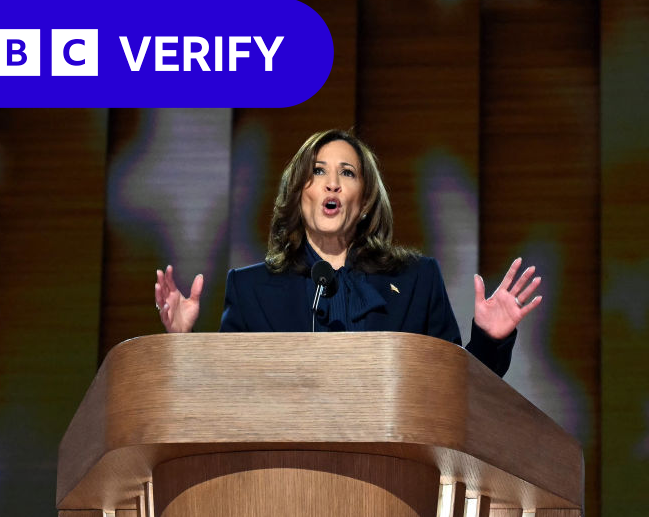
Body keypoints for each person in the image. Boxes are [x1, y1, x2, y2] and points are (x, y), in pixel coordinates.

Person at [154, 129, 541, 377]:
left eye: (348, 173)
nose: (333, 184)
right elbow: (223, 395)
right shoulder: (251, 287)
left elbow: (453, 395)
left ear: (366, 201)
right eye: (318, 171)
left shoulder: (416, 279)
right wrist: (181, 346)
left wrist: (489, 340)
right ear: (298, 193)